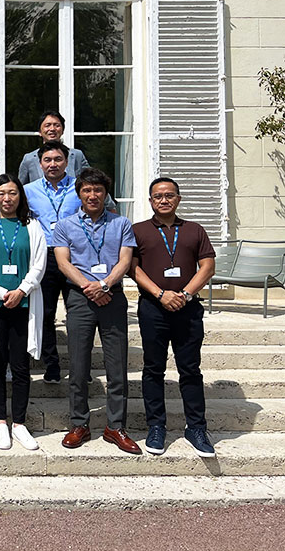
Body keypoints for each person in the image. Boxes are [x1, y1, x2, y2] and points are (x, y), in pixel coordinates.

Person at [54, 168, 140, 455]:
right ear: (79, 193)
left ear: (106, 194)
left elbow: (125, 261)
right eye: (87, 190)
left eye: (98, 190)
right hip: (79, 298)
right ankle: (79, 423)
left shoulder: (122, 224)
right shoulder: (65, 225)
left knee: (117, 367)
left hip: (112, 296)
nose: (93, 195)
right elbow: (64, 263)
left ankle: (115, 426)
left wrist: (103, 285)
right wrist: (89, 287)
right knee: (78, 367)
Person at [131, 177, 217, 458]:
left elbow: (207, 266)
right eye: (158, 196)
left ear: (178, 198)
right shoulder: (139, 230)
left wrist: (186, 294)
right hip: (153, 308)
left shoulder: (194, 230)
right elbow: (134, 269)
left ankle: (196, 428)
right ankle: (156, 427)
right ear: (150, 201)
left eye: (169, 195)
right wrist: (160, 295)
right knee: (153, 368)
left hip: (188, 308)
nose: (164, 200)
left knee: (190, 369)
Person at [0, 175, 46, 451]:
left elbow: (39, 264)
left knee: (20, 366)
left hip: (24, 304)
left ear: (20, 196)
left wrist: (21, 290)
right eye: (2, 193)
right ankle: (1, 421)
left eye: (12, 193)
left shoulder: (32, 226)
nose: (7, 198)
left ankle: (20, 423)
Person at [23, 141, 83, 385]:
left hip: (75, 255)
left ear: (67, 162)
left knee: (78, 314)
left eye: (58, 159)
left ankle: (81, 366)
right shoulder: (28, 190)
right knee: (45, 313)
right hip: (45, 255)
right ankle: (52, 365)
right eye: (47, 160)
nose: (53, 164)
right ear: (40, 164)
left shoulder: (80, 188)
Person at [17, 110, 91, 185]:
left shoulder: (77, 155)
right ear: (40, 131)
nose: (52, 129)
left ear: (62, 130)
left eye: (57, 125)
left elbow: (91, 181)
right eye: (47, 125)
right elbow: (21, 189)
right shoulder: (29, 159)